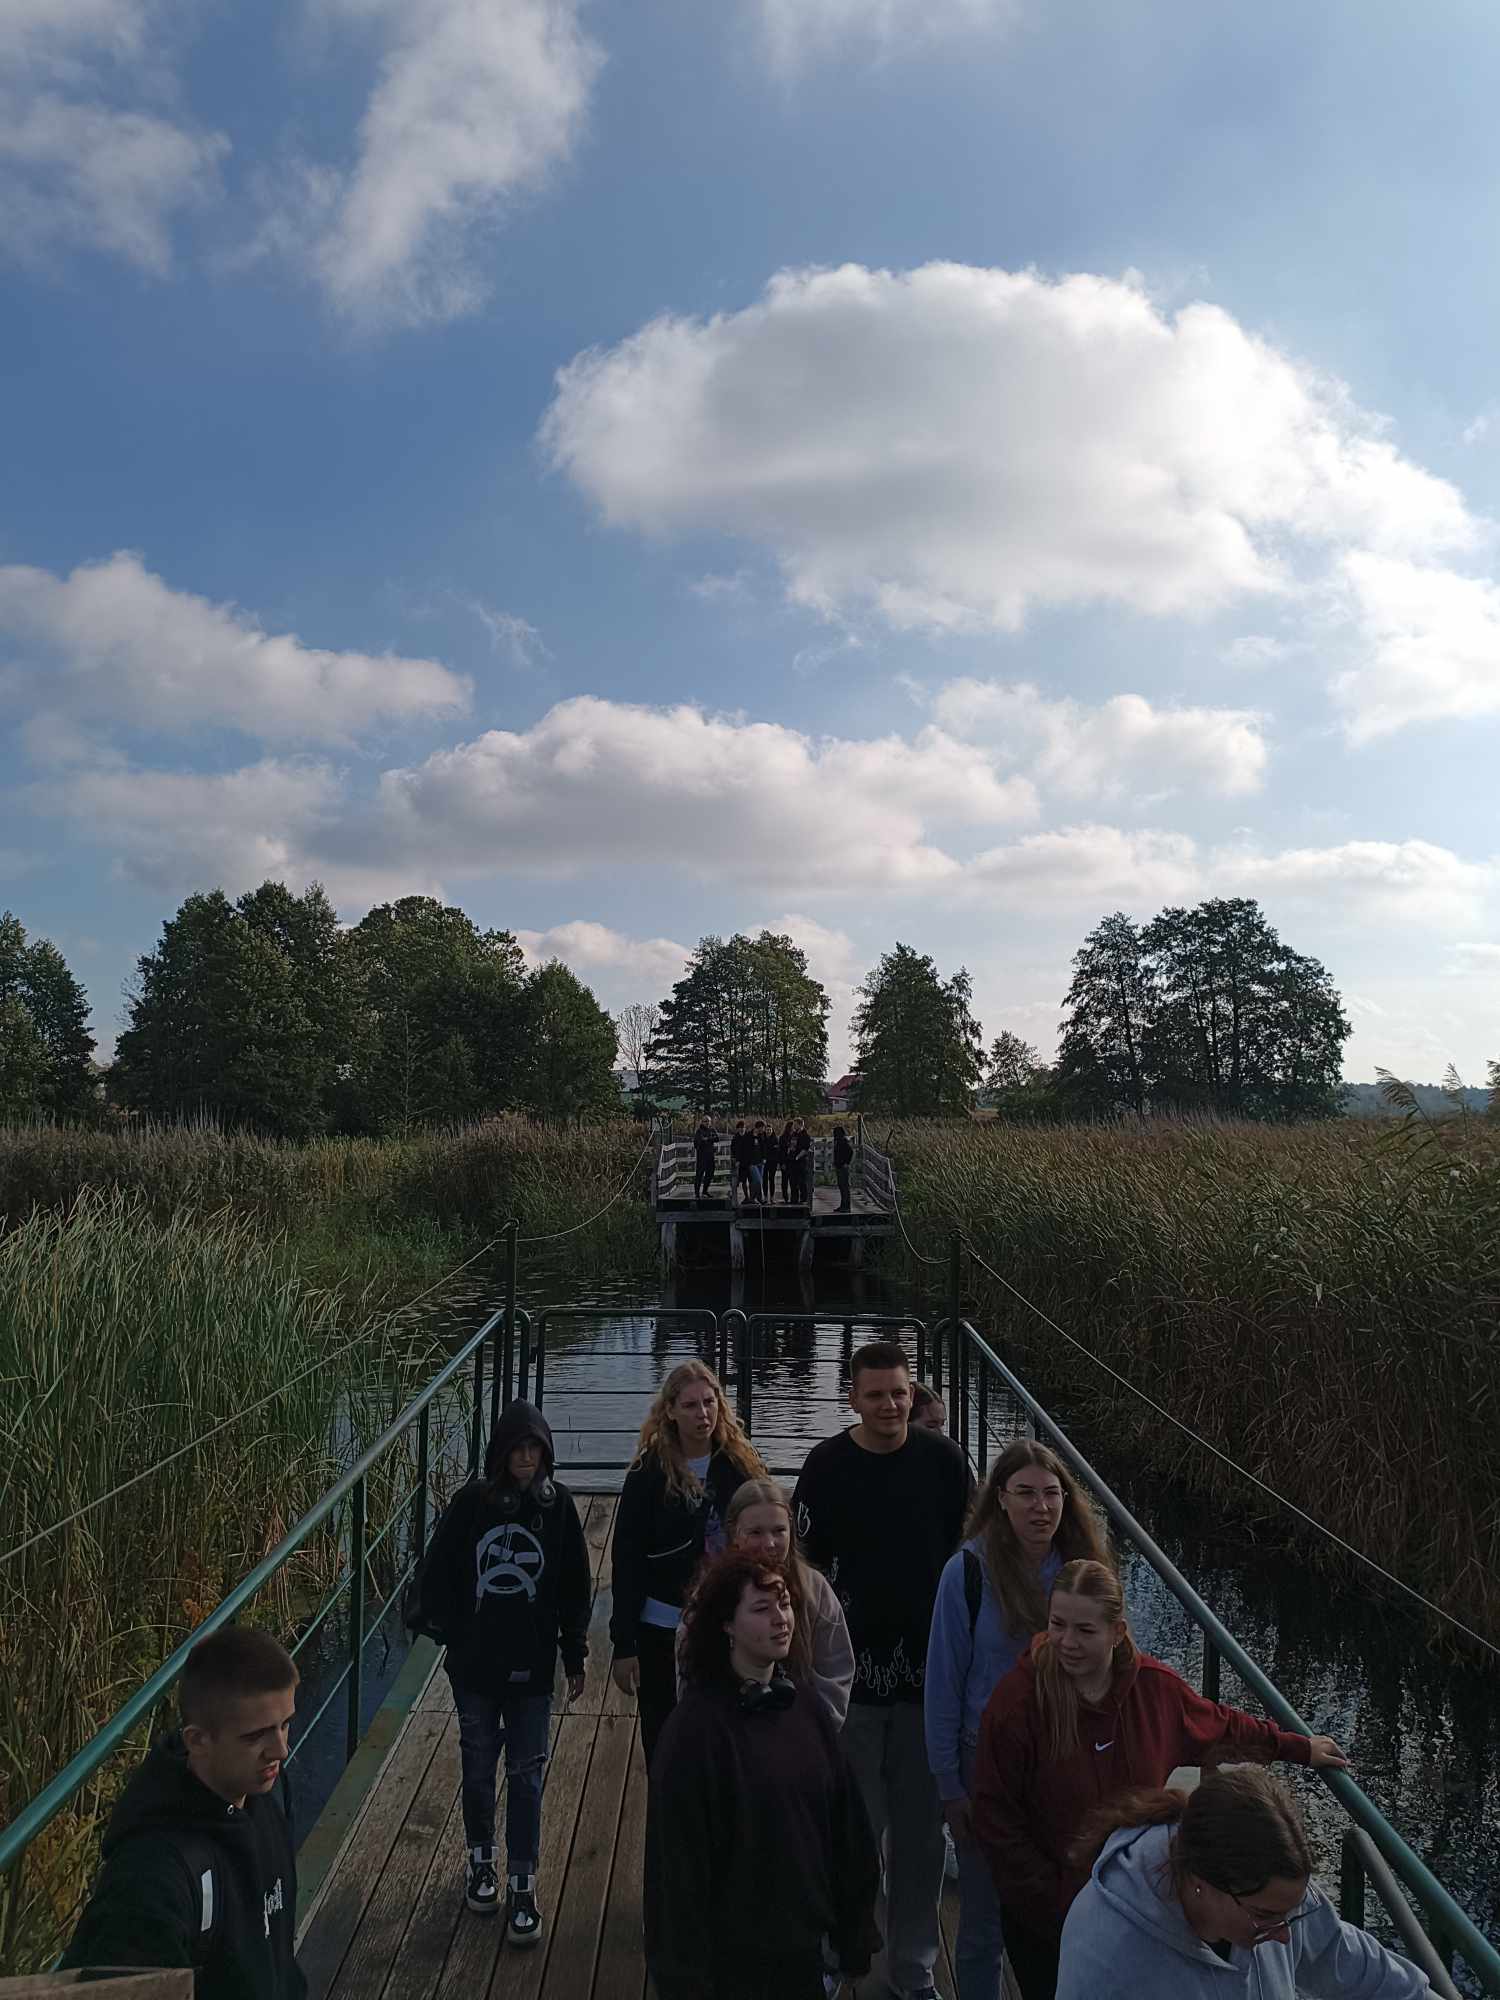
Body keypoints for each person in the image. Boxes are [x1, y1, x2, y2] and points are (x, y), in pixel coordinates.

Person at [972, 1559, 1348, 2000]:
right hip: (1045, 1919)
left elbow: (1221, 1726)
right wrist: (1055, 1902)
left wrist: (1297, 1748)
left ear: (1117, 1632)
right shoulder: (1018, 1704)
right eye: (1058, 1625)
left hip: (1138, 1911)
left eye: (1085, 1630)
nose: (1067, 1642)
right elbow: (997, 1819)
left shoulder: (1154, 1691)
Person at [794, 1340, 973, 2000]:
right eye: (875, 1395)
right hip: (852, 1688)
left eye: (899, 1393)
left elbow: (968, 1557)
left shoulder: (945, 1463)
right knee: (851, 1836)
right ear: (852, 1398)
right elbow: (803, 1571)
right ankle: (840, 1957)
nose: (890, 1405)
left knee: (921, 1843)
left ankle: (914, 1970)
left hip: (929, 1686)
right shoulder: (825, 1466)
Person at [645, 1551, 881, 2000]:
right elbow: (675, 1876)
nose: (781, 1619)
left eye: (785, 1604)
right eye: (761, 1608)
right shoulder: (693, 1735)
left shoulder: (806, 1709)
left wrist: (855, 1934)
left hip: (803, 1958)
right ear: (726, 1626)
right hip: (728, 1970)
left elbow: (848, 1831)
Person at [925, 1443, 1114, 2000]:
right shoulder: (968, 1572)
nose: (1040, 1507)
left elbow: (1118, 1667)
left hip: (1066, 1758)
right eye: (1025, 1493)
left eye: (1051, 1493)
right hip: (985, 1762)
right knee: (983, 1920)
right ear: (1000, 1499)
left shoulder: (1083, 1569)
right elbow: (944, 1683)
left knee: (1067, 1911)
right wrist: (949, 1786)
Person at [406, 1399, 589, 1942]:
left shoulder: (559, 1508)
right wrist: (447, 1631)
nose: (527, 1458)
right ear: (501, 1453)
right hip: (476, 1668)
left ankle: (522, 1882)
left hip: (534, 1668)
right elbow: (437, 1573)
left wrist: (574, 1654)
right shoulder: (471, 1504)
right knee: (479, 1766)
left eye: (535, 1449)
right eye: (518, 1449)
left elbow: (575, 1586)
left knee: (527, 1774)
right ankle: (480, 1861)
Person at [60, 1626, 306, 2000]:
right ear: (198, 1740)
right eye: (255, 1736)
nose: (280, 1750)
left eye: (285, 1725)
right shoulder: (151, 1879)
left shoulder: (259, 1796)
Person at [1057, 1763, 1431, 1998]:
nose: (1284, 1935)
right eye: (1264, 1916)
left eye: (1293, 1913)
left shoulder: (1276, 1898)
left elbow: (1355, 1966)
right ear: (1203, 1881)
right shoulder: (1106, 1953)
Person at [611, 1360, 766, 1764]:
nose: (703, 1414)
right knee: (664, 1736)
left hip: (724, 1619)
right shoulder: (648, 1472)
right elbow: (627, 1558)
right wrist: (624, 1643)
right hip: (661, 1623)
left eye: (710, 1403)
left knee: (724, 1734)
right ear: (670, 1411)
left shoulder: (739, 1464)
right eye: (691, 1405)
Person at [678, 1477, 856, 1726]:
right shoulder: (711, 1592)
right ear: (735, 1534)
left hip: (801, 1731)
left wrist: (814, 1728)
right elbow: (690, 1671)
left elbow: (836, 1669)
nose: (769, 1544)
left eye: (778, 1531)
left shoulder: (815, 1590)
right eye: (756, 1533)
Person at [693, 1116, 717, 1201]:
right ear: (702, 1122)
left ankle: (705, 1191)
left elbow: (717, 1138)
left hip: (710, 1156)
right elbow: (697, 1142)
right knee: (699, 1175)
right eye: (705, 1121)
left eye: (708, 1121)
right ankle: (697, 1193)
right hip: (702, 1157)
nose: (707, 1123)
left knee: (710, 1174)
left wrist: (707, 1139)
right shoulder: (699, 1131)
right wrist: (708, 1140)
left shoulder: (712, 1130)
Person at [833, 1124, 855, 1211]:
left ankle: (846, 1206)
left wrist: (847, 1163)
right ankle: (843, 1205)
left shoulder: (843, 1141)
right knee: (841, 1187)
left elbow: (850, 1151)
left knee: (845, 1187)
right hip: (839, 1166)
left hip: (843, 1167)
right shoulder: (838, 1141)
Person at [730, 1119, 752, 1201]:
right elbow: (733, 1150)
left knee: (751, 1181)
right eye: (740, 1127)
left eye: (743, 1127)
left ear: (745, 1128)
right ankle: (746, 1197)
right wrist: (735, 1160)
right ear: (738, 1128)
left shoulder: (749, 1136)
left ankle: (752, 1197)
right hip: (740, 1162)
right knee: (743, 1181)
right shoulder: (735, 1138)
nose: (742, 1129)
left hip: (749, 1162)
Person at [793, 1117, 813, 1201]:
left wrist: (797, 1157)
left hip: (801, 1161)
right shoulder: (794, 1134)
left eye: (795, 1124)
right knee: (794, 1181)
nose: (794, 1126)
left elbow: (805, 1149)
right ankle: (794, 1198)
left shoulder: (805, 1135)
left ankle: (804, 1198)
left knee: (802, 1181)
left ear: (800, 1124)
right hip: (793, 1160)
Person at [779, 1120, 797, 1201]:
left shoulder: (795, 1136)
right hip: (785, 1161)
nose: (794, 1128)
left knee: (793, 1180)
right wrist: (782, 1163)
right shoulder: (783, 1137)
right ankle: (785, 1197)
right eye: (793, 1126)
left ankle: (794, 1197)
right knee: (785, 1180)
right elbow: (781, 1151)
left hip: (793, 1161)